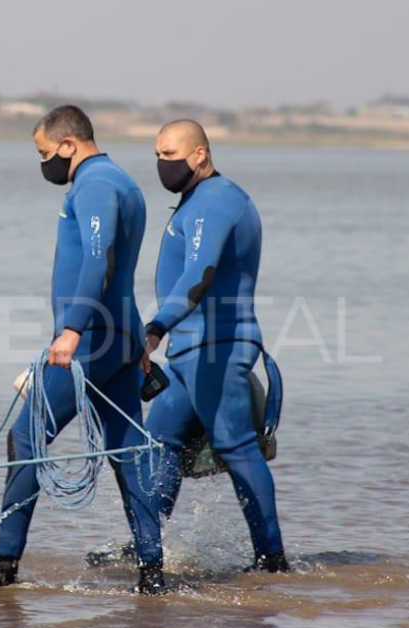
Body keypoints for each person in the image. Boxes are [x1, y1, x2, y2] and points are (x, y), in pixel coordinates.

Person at [0, 105, 168, 594]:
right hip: (121, 337)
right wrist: (134, 342)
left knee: (25, 438)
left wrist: (71, 329)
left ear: (69, 144)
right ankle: (153, 575)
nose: (43, 162)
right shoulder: (121, 181)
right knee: (128, 454)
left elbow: (98, 258)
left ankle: (3, 568)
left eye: (45, 153)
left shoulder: (95, 185)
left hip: (90, 342)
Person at [141, 119, 290, 573]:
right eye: (157, 155)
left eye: (169, 155)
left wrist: (155, 327)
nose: (161, 164)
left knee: (237, 445)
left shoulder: (218, 200)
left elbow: (199, 273)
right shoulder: (192, 202)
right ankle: (148, 549)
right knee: (160, 439)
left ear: (200, 155)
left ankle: (271, 559)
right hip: (188, 354)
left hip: (218, 347)